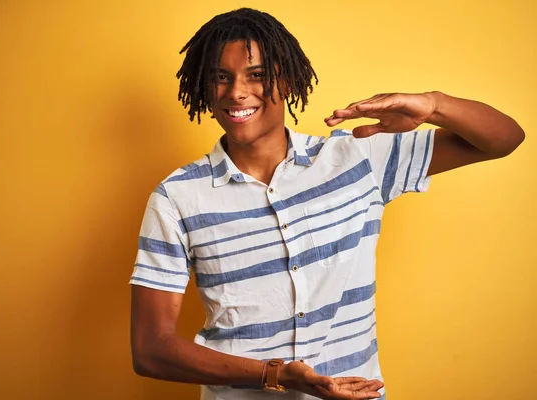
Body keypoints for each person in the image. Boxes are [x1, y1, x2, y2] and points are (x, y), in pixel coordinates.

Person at [129, 7, 524, 400]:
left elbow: (504, 138)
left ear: (288, 77)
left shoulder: (358, 160)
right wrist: (277, 375)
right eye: (220, 77)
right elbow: (151, 349)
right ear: (203, 85)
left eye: (257, 75)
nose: (236, 92)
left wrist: (433, 105)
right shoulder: (176, 197)